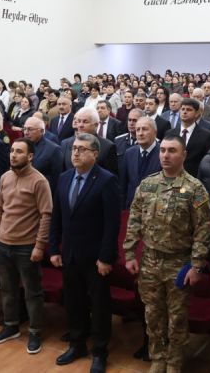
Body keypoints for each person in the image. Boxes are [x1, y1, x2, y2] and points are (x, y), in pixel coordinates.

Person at [124, 135, 210, 373]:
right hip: (150, 261)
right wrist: (130, 254)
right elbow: (134, 220)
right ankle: (158, 357)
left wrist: (196, 265)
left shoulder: (195, 189)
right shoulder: (147, 184)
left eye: (172, 150)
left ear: (183, 155)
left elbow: (203, 231)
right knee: (153, 314)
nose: (165, 155)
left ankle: (174, 361)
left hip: (179, 263)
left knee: (177, 318)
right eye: (162, 150)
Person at [49, 133, 121, 373]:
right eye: (74, 149)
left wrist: (106, 257)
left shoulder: (106, 180)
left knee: (99, 306)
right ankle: (77, 344)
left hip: (96, 257)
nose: (76, 153)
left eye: (82, 149)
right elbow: (57, 216)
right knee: (74, 302)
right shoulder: (64, 177)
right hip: (70, 253)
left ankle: (99, 351)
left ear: (95, 154)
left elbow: (112, 224)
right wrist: (54, 248)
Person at [0, 138, 52, 353]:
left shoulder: (39, 181)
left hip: (26, 246)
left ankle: (35, 331)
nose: (13, 155)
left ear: (30, 156)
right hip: (4, 243)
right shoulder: (5, 177)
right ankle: (11, 326)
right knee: (7, 289)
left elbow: (46, 215)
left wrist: (39, 246)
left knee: (32, 292)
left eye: (19, 152)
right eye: (12, 151)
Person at [119, 116, 161, 209]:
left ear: (155, 132)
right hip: (131, 209)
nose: (140, 133)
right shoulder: (129, 153)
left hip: (155, 209)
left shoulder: (163, 153)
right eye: (138, 130)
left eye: (145, 129)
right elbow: (123, 185)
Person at [166, 98, 210, 177]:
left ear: (197, 113)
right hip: (171, 176)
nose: (185, 112)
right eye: (183, 109)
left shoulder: (207, 136)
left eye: (189, 110)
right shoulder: (169, 133)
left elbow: (208, 162)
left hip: (194, 179)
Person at [23, 116, 63, 191]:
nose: (26, 132)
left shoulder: (53, 149)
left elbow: (56, 178)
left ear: (41, 131)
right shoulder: (21, 145)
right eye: (24, 129)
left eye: (30, 129)